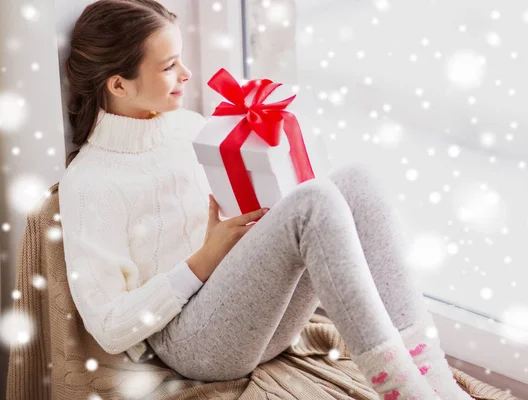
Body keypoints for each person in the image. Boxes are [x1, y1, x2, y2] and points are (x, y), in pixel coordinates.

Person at [58, 1, 472, 399]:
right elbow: (109, 328)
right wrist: (202, 262)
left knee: (354, 182)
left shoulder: (188, 129)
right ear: (118, 84)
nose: (186, 74)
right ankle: (405, 393)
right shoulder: (90, 184)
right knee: (315, 202)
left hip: (248, 316)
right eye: (169, 66)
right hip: (188, 342)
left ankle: (437, 383)